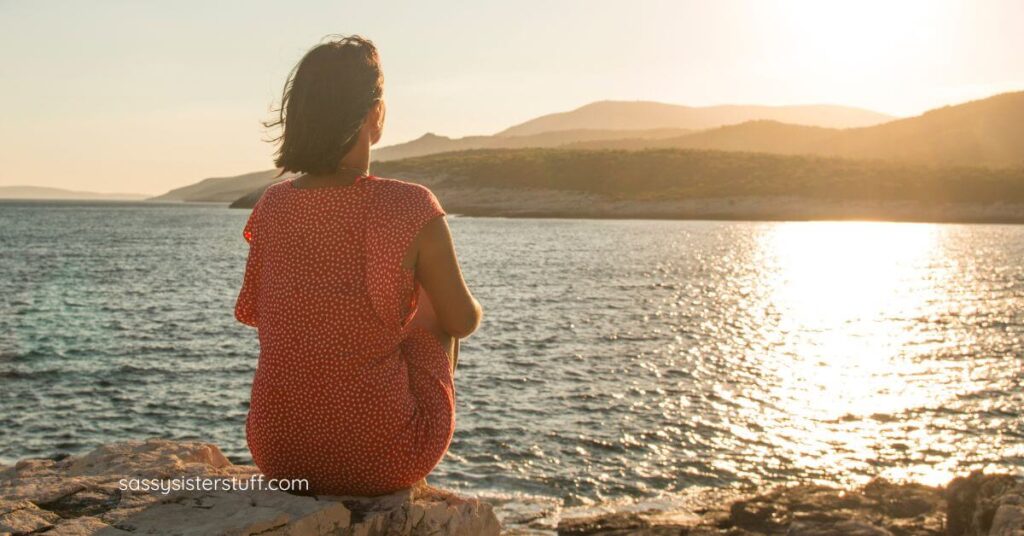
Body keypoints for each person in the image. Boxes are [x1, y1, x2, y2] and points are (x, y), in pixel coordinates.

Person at [234, 35, 482, 496]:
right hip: (384, 457)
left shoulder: (272, 205)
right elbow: (461, 321)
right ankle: (412, 475)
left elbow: (264, 316)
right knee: (432, 312)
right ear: (375, 115)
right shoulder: (409, 204)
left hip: (278, 454)